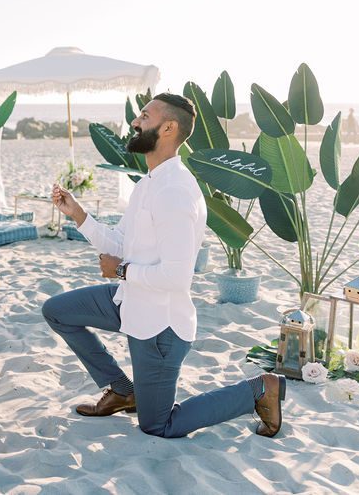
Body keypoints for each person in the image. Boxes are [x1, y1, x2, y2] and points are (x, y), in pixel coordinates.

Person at [42, 93, 286, 440]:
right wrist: (78, 215)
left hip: (160, 327)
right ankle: (123, 390)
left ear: (168, 128)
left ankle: (259, 390)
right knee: (57, 311)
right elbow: (121, 244)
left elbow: (175, 277)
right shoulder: (149, 184)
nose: (135, 122)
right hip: (130, 301)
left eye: (144, 115)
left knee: (158, 425)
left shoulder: (175, 192)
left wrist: (122, 272)